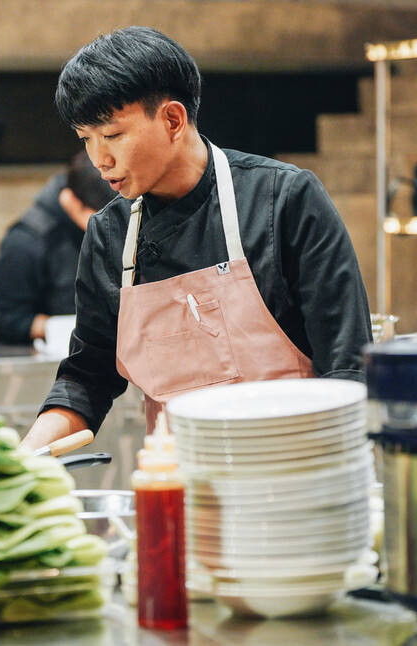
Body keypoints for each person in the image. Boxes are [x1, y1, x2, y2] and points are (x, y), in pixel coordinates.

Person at [21, 26, 372, 449]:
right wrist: (22, 458)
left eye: (112, 135)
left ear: (173, 119)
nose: (100, 159)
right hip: (179, 486)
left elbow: (347, 367)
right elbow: (86, 377)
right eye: (85, 139)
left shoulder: (284, 199)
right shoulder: (110, 234)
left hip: (295, 471)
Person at [0, 151, 117, 356]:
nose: (109, 226)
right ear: (72, 201)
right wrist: (66, 327)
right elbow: (7, 321)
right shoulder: (26, 241)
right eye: (100, 217)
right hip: (46, 366)